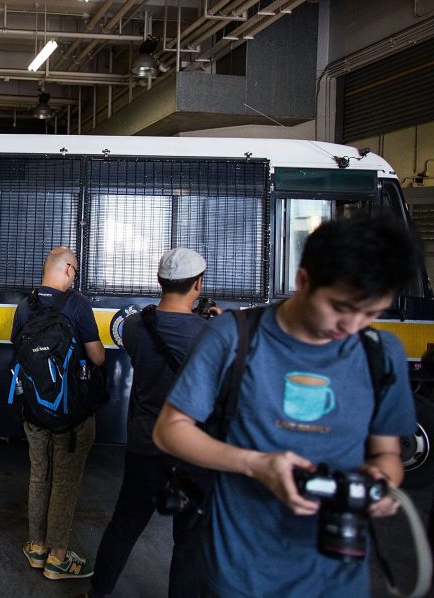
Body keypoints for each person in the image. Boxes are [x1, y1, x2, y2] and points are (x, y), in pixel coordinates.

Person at [152, 217, 421, 598]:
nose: (353, 325)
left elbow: (387, 454)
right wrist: (256, 464)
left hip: (338, 576)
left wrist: (378, 484)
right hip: (240, 572)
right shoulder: (235, 336)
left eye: (372, 312)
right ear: (304, 280)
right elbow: (170, 429)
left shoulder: (381, 353)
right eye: (341, 306)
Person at [85, 248, 216, 598]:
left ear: (159, 281)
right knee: (188, 538)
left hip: (146, 445)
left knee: (125, 525)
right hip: (193, 452)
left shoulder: (135, 327)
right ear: (198, 285)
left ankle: (98, 592)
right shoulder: (209, 335)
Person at [11, 247, 105, 581]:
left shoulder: (25, 307)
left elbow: (18, 352)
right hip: (71, 416)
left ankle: (36, 547)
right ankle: (58, 559)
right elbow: (96, 359)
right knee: (64, 482)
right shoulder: (77, 305)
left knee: (39, 475)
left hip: (34, 411)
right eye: (76, 271)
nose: (75, 277)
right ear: (67, 269)